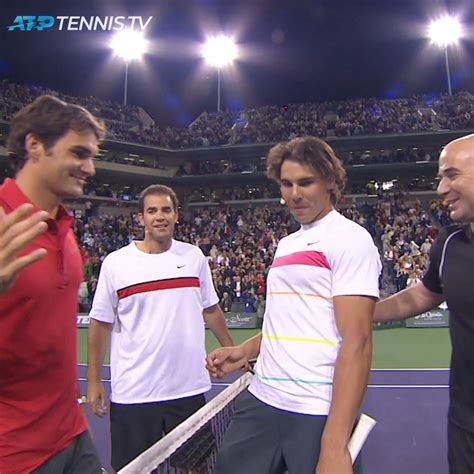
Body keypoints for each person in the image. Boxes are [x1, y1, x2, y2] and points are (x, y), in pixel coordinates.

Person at [207, 136, 381, 474]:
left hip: (316, 410)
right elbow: (290, 321)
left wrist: (335, 444)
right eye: (286, 184)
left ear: (330, 181)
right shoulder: (287, 244)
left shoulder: (351, 239)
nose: (294, 194)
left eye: (305, 182)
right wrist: (244, 351)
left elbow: (357, 343)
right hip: (262, 399)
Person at [87, 184, 234, 471]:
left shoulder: (194, 257)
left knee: (197, 468)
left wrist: (231, 349)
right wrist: (93, 379)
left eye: (166, 210)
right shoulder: (116, 264)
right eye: (152, 211)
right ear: (141, 218)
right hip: (134, 394)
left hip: (187, 390)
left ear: (176, 215)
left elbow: (211, 309)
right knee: (132, 469)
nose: (160, 216)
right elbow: (101, 323)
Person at [0, 95, 106, 473]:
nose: (90, 168)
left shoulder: (62, 225)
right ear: (34, 145)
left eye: (92, 156)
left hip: (72, 434)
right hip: (14, 452)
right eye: (79, 153)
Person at [373, 134, 474, 474]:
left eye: (452, 175)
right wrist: (363, 312)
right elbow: (424, 294)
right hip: (466, 422)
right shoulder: (449, 244)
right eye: (440, 178)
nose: (442, 189)